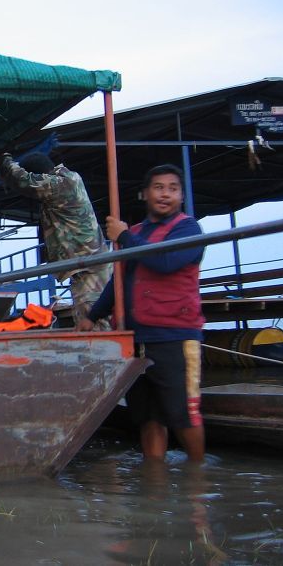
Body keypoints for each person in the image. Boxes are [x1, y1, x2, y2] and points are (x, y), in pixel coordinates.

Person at [79, 164, 206, 462]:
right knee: (147, 417)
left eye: (173, 189)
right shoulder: (135, 233)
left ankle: (199, 479)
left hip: (175, 335)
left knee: (183, 414)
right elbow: (118, 283)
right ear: (144, 194)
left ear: (181, 197)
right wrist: (93, 316)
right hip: (137, 338)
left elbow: (165, 262)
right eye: (158, 187)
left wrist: (123, 237)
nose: (165, 194)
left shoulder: (188, 228)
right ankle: (155, 480)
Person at [0, 151, 112, 330]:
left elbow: (22, 180)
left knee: (95, 326)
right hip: (88, 265)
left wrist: (5, 158)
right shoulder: (68, 178)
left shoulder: (59, 184)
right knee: (88, 322)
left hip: (89, 267)